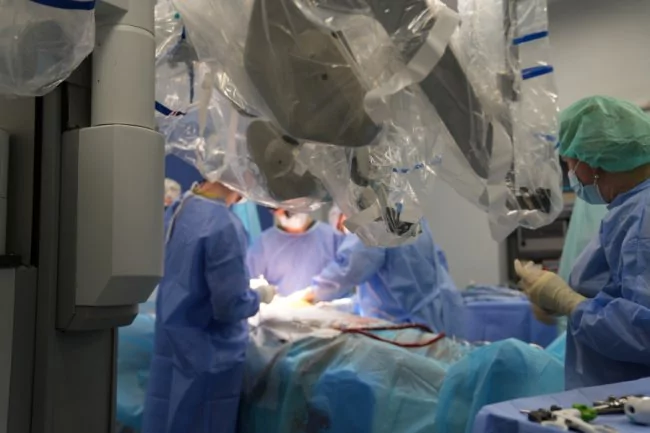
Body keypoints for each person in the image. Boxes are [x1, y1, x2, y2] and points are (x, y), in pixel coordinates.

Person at [515, 95, 650, 389]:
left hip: (634, 395)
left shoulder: (642, 219)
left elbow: (643, 333)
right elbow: (614, 294)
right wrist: (557, 300)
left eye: (569, 162)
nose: (570, 172)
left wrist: (570, 303)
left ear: (593, 163)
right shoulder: (629, 210)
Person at [143, 180, 274, 433]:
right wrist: (260, 295)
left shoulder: (181, 208)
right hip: (206, 355)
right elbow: (230, 305)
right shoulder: (223, 224)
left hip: (173, 344)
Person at [300, 221, 465, 337]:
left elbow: (349, 268)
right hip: (432, 316)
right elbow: (386, 292)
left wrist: (313, 293)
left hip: (407, 328)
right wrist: (338, 306)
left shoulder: (373, 220)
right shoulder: (404, 211)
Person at [246, 209, 344, 296]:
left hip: (326, 309)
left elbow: (345, 277)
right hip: (280, 309)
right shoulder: (264, 243)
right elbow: (249, 284)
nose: (288, 212)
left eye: (292, 209)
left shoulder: (332, 238)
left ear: (307, 204)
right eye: (283, 209)